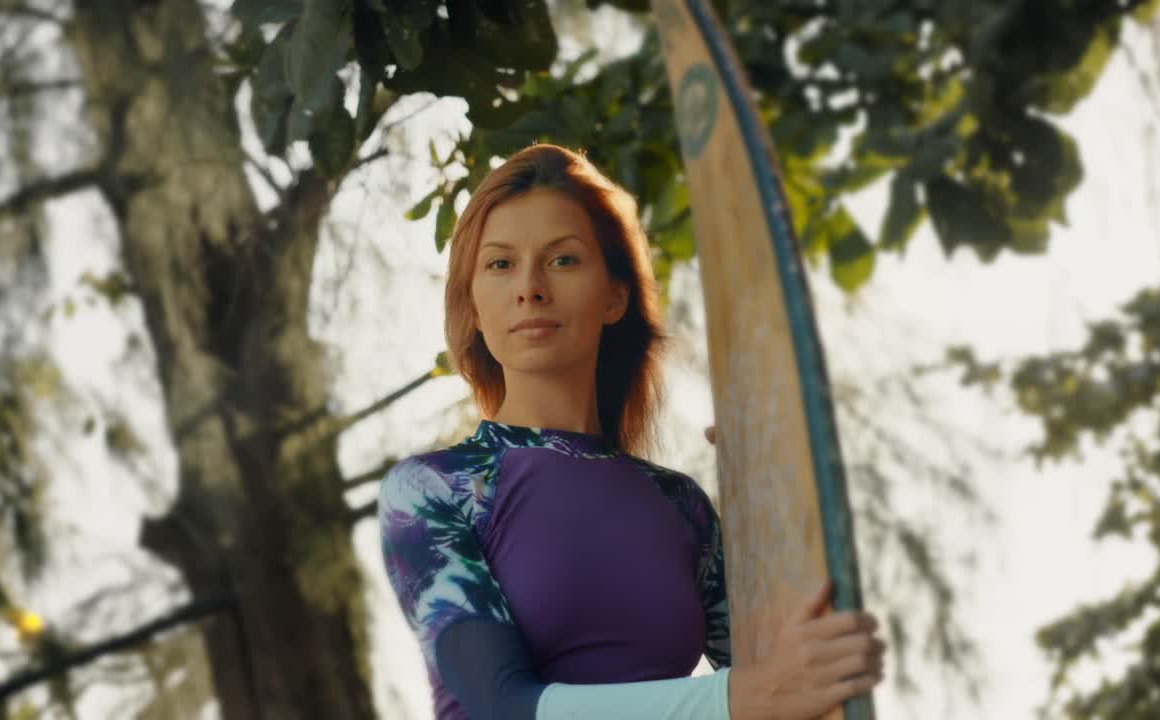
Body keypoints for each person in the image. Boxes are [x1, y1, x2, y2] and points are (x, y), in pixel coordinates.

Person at [377, 144, 885, 719]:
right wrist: (739, 700)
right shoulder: (433, 490)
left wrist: (782, 502)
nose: (530, 288)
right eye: (499, 264)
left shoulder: (680, 504)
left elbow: (795, 682)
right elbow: (503, 707)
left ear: (615, 295)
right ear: (473, 302)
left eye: (563, 259)